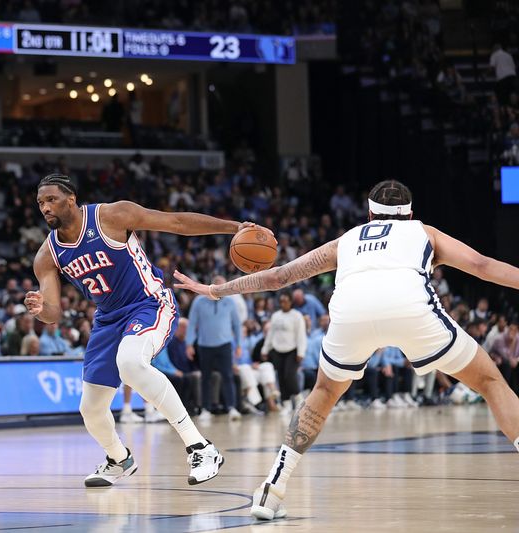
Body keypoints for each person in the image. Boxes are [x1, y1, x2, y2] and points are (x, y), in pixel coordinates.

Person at [174, 179, 519, 520]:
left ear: (369, 214)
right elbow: (482, 266)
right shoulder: (425, 232)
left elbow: (278, 277)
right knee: (489, 382)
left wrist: (216, 290)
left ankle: (272, 487)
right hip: (410, 308)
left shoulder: (347, 240)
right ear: (410, 213)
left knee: (322, 393)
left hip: (351, 313)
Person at [25, 173, 264, 487]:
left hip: (148, 302)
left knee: (131, 363)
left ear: (71, 199)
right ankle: (118, 459)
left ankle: (201, 448)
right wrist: (41, 310)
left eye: (51, 199)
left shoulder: (111, 215)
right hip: (108, 320)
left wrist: (235, 227)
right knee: (91, 408)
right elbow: (53, 313)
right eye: (41, 202)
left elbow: (176, 222)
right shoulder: (47, 255)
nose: (45, 207)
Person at [186, 275, 243, 421]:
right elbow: (192, 323)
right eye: (221, 287)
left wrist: (239, 345)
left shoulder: (230, 302)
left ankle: (231, 407)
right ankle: (206, 409)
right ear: (213, 286)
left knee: (228, 376)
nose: (224, 290)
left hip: (225, 344)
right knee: (205, 378)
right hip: (205, 345)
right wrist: (189, 344)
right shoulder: (199, 301)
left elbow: (236, 325)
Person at [262, 292, 307, 412]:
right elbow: (270, 334)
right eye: (281, 301)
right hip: (277, 350)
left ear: (290, 302)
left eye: (285, 301)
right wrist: (265, 349)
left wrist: (301, 352)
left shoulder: (297, 316)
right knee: (281, 377)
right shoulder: (276, 316)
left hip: (292, 350)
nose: (283, 304)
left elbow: (301, 335)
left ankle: (298, 397)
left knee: (289, 375)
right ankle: (286, 403)